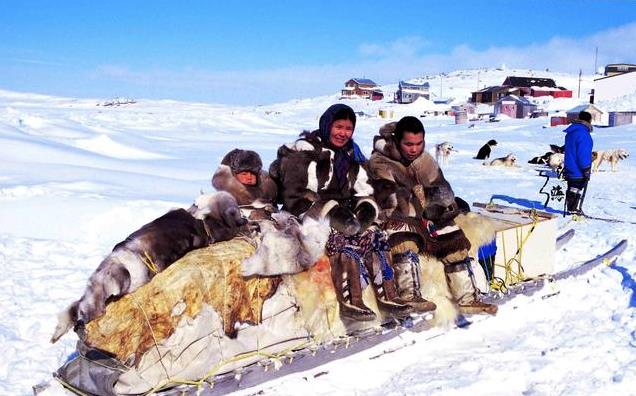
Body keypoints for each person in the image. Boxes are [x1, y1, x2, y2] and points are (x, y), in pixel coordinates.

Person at [269, 103, 411, 321]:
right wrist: (329, 212)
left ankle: (388, 295)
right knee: (340, 238)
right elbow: (294, 197)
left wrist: (366, 207)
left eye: (348, 128)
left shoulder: (350, 155)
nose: (343, 133)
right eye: (338, 127)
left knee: (374, 234)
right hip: (306, 215)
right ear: (327, 126)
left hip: (342, 211)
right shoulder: (305, 154)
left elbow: (363, 187)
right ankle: (351, 300)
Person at [368, 116, 497, 315]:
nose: (414, 149)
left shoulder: (425, 160)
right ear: (397, 141)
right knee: (404, 240)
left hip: (428, 217)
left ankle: (467, 298)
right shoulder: (380, 162)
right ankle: (409, 296)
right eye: (409, 144)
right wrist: (419, 201)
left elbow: (444, 191)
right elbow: (389, 199)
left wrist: (429, 198)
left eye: (419, 144)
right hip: (397, 217)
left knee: (454, 242)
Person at [212, 149, 278, 220]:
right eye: (244, 174)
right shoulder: (226, 196)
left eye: (252, 174)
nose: (249, 177)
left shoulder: (266, 189)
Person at [563, 111, 593, 215]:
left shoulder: (572, 132)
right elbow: (583, 154)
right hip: (578, 169)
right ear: (589, 120)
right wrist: (586, 168)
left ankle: (571, 208)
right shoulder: (584, 134)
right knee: (577, 188)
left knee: (572, 188)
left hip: (569, 166)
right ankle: (573, 210)